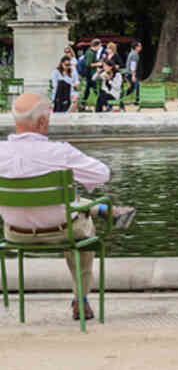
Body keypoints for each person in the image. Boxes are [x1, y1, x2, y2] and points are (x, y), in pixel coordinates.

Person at [0, 93, 135, 321]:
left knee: (69, 205)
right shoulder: (60, 152)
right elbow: (102, 173)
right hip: (62, 231)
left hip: (15, 233)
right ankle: (80, 299)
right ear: (42, 122)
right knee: (80, 223)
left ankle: (102, 211)